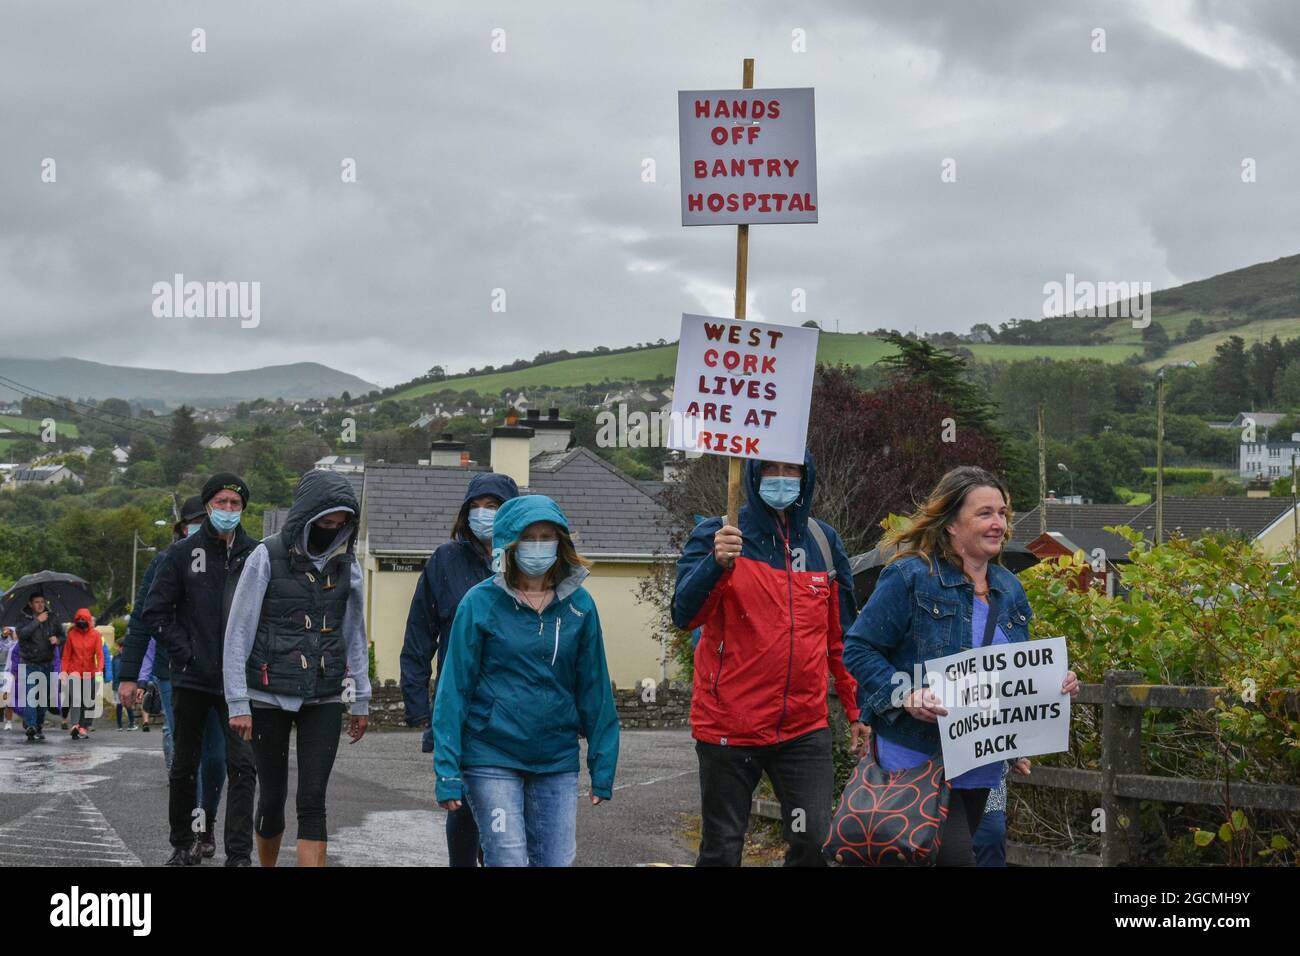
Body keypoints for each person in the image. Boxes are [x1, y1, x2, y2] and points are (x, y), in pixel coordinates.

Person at [842, 466, 1081, 866]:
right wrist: (906, 694)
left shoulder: (1009, 587)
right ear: (952, 523)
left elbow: (1010, 673)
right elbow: (859, 648)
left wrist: (1053, 685)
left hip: (982, 763)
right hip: (919, 758)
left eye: (1003, 513)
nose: (999, 524)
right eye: (985, 513)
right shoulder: (910, 577)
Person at [671, 452, 867, 867]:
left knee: (813, 842)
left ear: (806, 475)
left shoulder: (822, 543)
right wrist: (716, 564)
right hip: (728, 725)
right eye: (771, 469)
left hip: (803, 727)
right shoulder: (718, 534)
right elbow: (684, 615)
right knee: (723, 848)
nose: (781, 478)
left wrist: (856, 710)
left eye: (790, 469)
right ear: (754, 474)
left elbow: (842, 640)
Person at [433, 494, 619, 867]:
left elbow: (595, 688)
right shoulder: (479, 603)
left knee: (557, 860)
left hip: (556, 757)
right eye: (528, 538)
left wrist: (603, 764)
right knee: (508, 857)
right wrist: (447, 771)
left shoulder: (580, 606)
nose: (538, 546)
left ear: (561, 541)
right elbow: (454, 690)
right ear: (509, 544)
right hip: (491, 754)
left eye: (546, 536)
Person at [224, 469, 372, 867]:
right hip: (267, 695)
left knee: (313, 800)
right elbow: (238, 631)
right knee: (272, 797)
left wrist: (361, 699)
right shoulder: (266, 555)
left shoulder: (348, 565)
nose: (333, 530)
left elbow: (354, 633)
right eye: (326, 522)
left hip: (323, 694)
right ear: (307, 515)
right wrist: (238, 702)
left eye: (341, 524)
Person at [400, 471, 518, 867]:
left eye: (493, 507)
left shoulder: (530, 561)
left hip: (515, 705)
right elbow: (419, 635)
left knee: (505, 810)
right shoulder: (445, 561)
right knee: (464, 805)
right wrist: (418, 705)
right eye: (476, 507)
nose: (483, 515)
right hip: (461, 704)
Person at [143, 473, 258, 867]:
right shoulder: (181, 554)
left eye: (235, 504)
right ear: (208, 504)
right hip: (192, 677)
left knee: (241, 767)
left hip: (238, 684)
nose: (228, 510)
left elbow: (268, 617)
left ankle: (238, 853)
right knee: (185, 765)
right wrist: (185, 652)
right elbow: (155, 611)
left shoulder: (256, 556)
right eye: (221, 502)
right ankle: (182, 842)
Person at [119, 496, 229, 860]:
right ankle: (189, 835)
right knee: (185, 751)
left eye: (204, 520)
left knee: (216, 756)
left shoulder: (234, 558)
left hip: (220, 674)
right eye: (192, 522)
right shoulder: (166, 561)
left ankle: (206, 822)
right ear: (181, 528)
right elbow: (141, 620)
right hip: (175, 672)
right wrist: (129, 676)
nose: (198, 527)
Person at [16, 593, 63, 742]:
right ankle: (31, 726)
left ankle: (38, 726)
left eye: (42, 602)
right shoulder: (23, 618)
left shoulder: (53, 617)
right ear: (30, 604)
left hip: (47, 663)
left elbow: (63, 635)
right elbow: (22, 634)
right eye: (37, 602)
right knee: (31, 696)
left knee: (42, 699)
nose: (40, 605)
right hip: (29, 663)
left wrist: (58, 639)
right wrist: (37, 621)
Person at [60, 608, 103, 739]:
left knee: (88, 701)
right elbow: (66, 656)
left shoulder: (95, 635)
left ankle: (83, 727)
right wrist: (63, 672)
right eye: (78, 619)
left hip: (90, 672)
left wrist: (100, 671)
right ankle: (75, 725)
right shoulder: (71, 635)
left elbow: (99, 655)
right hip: (74, 672)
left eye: (83, 619)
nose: (81, 621)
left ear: (89, 620)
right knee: (76, 698)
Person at [0, 626, 17, 730]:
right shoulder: (8, 643)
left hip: (15, 672)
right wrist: (3, 636)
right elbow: (3, 647)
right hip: (5, 671)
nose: (11, 633)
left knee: (9, 697)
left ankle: (10, 722)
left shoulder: (20, 644)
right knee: (4, 697)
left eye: (13, 632)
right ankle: (7, 721)